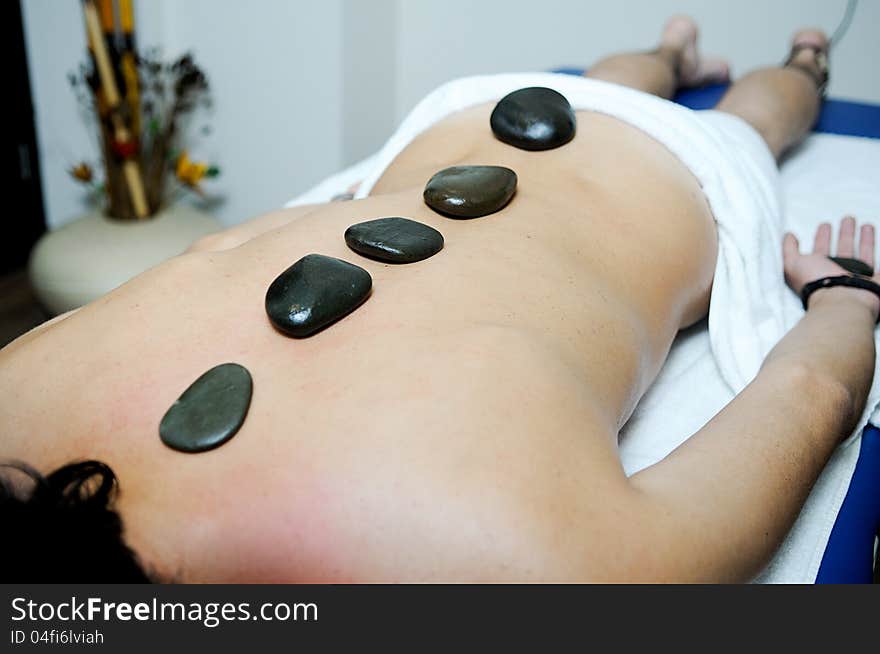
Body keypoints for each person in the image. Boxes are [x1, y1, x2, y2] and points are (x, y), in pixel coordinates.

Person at [2, 16, 877, 582]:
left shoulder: (537, 570)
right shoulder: (16, 392)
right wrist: (841, 295)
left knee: (736, 113)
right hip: (461, 126)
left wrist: (844, 296)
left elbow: (813, 393)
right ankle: (718, 56)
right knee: (674, 93)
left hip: (652, 174)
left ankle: (749, 56)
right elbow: (811, 395)